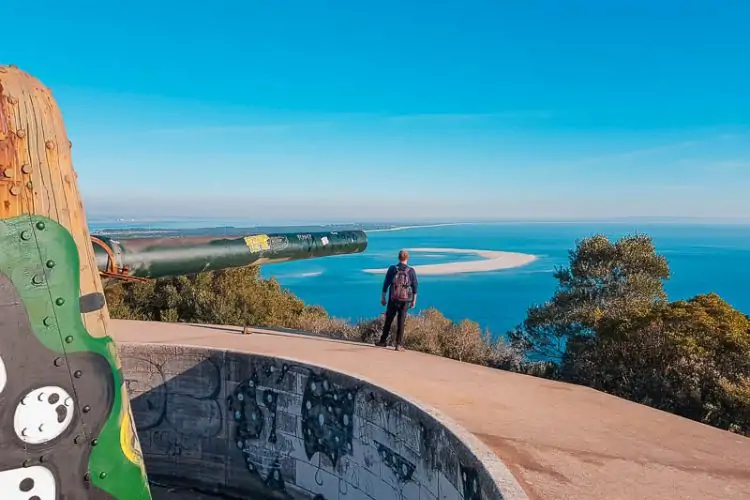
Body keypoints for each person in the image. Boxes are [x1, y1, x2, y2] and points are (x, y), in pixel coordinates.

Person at [376, 249, 418, 351]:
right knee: (401, 322)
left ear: (398, 257)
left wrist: (383, 297)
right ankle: (399, 345)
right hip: (405, 300)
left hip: (393, 299)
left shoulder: (392, 269)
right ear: (407, 258)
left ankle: (382, 341)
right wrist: (414, 300)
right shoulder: (411, 271)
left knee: (388, 320)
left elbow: (386, 283)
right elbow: (415, 287)